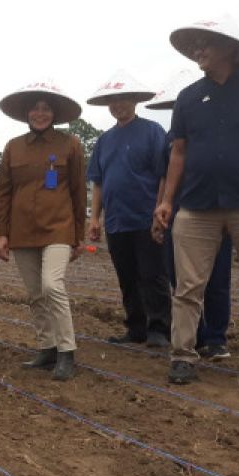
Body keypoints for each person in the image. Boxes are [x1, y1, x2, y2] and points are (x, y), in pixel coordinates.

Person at [153, 16, 239, 385]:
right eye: (196, 45)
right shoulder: (187, 98)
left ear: (231, 50)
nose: (199, 51)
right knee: (187, 287)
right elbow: (178, 153)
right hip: (196, 207)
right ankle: (183, 356)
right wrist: (167, 201)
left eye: (206, 44)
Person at [0, 80, 87, 381]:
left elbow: (78, 192)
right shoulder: (13, 147)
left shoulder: (70, 144)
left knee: (51, 286)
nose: (40, 113)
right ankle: (46, 347)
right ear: (26, 113)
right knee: (35, 293)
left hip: (59, 228)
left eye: (46, 108)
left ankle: (66, 351)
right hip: (22, 231)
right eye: (35, 108)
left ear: (55, 113)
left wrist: (78, 235)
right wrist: (2, 232)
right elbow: (3, 192)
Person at [147, 70, 232, 360]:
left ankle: (216, 338)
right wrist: (158, 214)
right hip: (177, 216)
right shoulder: (169, 139)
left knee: (217, 278)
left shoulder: (215, 130)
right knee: (181, 280)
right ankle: (193, 335)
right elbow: (163, 178)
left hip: (214, 212)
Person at [85, 70, 172, 348]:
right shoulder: (104, 141)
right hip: (117, 221)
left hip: (146, 217)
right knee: (127, 276)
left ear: (135, 101)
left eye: (124, 99)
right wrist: (95, 218)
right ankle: (136, 328)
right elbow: (98, 182)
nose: (118, 105)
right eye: (113, 101)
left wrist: (160, 209)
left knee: (152, 274)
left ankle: (159, 329)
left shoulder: (152, 132)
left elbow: (163, 174)